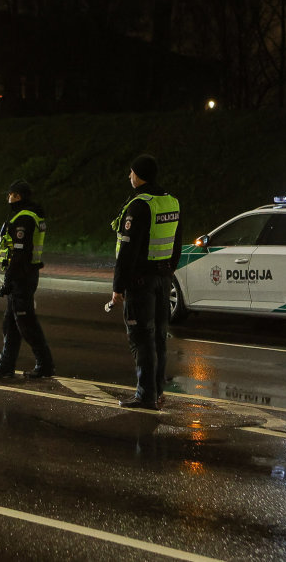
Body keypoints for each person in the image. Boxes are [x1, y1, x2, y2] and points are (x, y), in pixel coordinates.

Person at [110, 154, 182, 409]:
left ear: (139, 175)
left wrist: (118, 287)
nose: (129, 177)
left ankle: (145, 394)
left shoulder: (140, 205)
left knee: (141, 337)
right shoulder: (171, 202)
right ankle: (158, 391)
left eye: (131, 172)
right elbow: (176, 243)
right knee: (159, 337)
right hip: (164, 279)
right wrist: (168, 271)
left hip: (141, 282)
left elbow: (128, 251)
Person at [0, 179, 56, 379]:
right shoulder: (32, 214)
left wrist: (8, 281)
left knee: (26, 324)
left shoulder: (24, 219)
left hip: (22, 276)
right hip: (25, 274)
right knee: (11, 323)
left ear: (17, 196)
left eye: (10, 195)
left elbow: (20, 254)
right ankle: (5, 365)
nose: (8, 198)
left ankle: (45, 364)